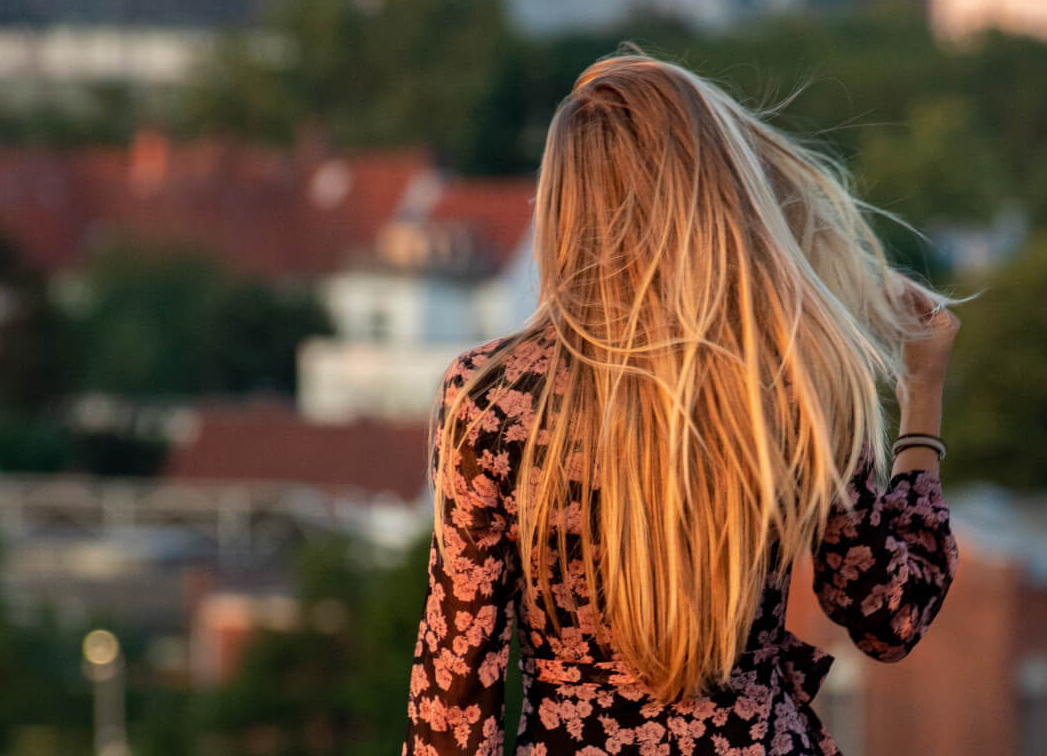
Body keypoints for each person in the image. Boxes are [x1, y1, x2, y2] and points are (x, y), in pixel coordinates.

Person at [402, 54, 960, 756]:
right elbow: (891, 615)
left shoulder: (492, 401)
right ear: (713, 194)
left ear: (563, 203)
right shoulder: (788, 388)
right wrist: (923, 392)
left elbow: (455, 702)